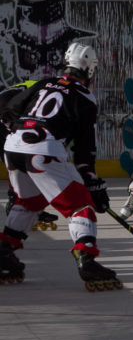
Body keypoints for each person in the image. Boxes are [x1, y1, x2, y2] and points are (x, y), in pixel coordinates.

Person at [0, 42, 121, 291]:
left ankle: (4, 253)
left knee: (29, 201)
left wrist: (20, 133)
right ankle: (86, 258)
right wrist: (93, 184)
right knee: (81, 205)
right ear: (90, 69)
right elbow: (84, 150)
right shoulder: (85, 97)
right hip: (43, 150)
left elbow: (10, 109)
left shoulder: (44, 82)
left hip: (13, 148)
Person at [1, 80, 60, 231]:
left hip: (4, 117)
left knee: (21, 164)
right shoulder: (47, 89)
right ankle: (19, 206)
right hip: (3, 118)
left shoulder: (42, 86)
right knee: (22, 163)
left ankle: (22, 205)